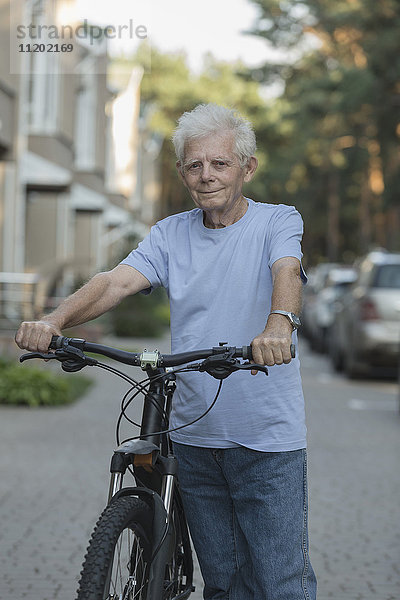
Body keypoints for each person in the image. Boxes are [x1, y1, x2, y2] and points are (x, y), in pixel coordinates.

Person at [16, 103, 317, 599]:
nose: (207, 176)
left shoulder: (277, 222)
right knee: (221, 584)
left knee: (281, 583)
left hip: (266, 440)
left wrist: (278, 327)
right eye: (195, 165)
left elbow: (286, 271)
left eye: (220, 163)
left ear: (247, 167)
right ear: (181, 172)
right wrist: (52, 322)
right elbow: (113, 283)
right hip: (195, 437)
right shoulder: (171, 234)